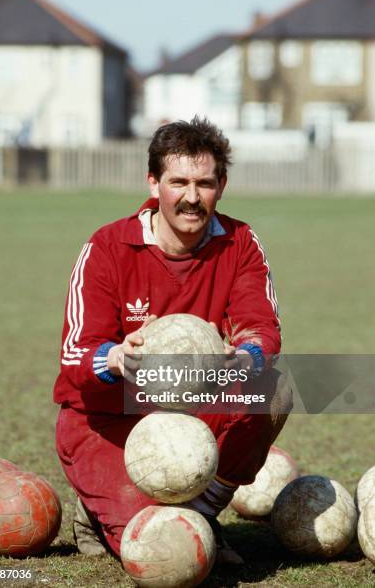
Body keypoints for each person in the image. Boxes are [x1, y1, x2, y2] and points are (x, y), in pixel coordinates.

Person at [54, 116, 291, 566]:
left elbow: (262, 329)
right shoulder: (108, 247)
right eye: (177, 181)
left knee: (273, 387)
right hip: (108, 419)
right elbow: (75, 355)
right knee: (163, 554)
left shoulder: (240, 243)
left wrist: (246, 355)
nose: (190, 197)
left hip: (190, 414)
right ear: (153, 182)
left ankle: (200, 515)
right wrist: (116, 357)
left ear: (221, 185)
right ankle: (97, 510)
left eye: (204, 183)